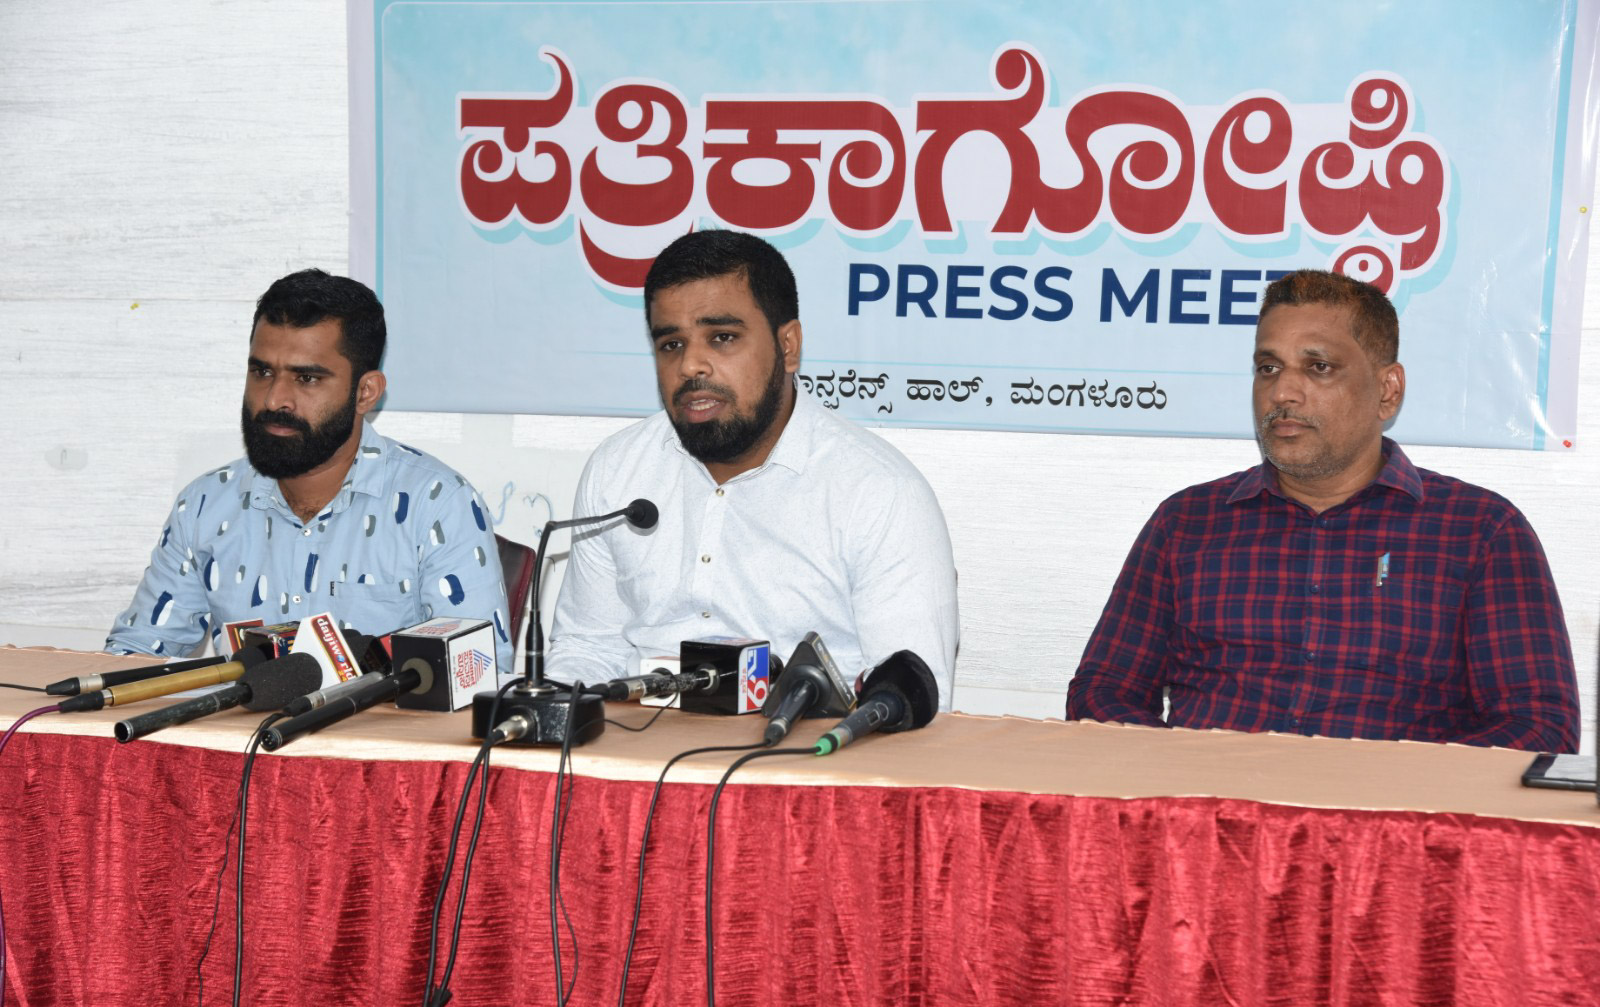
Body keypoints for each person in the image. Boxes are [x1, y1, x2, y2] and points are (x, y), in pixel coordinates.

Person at [1065, 269, 1578, 751]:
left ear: (1387, 390)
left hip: (1389, 812)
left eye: (1319, 367)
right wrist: (1179, 777)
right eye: (1268, 368)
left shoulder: (1480, 531)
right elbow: (1103, 692)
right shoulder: (1188, 523)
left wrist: (1390, 790)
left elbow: (1538, 726)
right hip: (1207, 804)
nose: (1282, 393)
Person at [547, 230, 960, 707]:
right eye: (671, 344)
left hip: (805, 749)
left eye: (722, 338)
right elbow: (588, 648)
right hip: (637, 743)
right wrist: (550, 715)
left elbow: (913, 702)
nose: (691, 366)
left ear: (788, 346)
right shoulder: (618, 469)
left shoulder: (879, 492)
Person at [107, 269, 514, 670]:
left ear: (366, 392)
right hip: (242, 717)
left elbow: (477, 673)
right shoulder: (205, 504)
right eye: (262, 372)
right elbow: (137, 656)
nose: (274, 399)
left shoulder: (437, 504)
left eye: (307, 378)